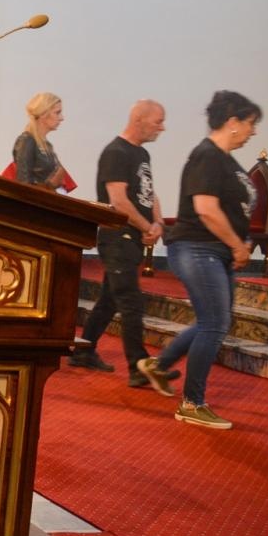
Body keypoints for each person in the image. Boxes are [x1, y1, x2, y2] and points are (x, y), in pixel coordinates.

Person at [138, 90, 263, 430]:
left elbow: (230, 209)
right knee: (215, 323)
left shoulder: (226, 160)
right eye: (250, 124)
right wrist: (238, 245)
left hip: (217, 250)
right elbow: (206, 210)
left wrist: (241, 242)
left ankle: (159, 365)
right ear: (232, 122)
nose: (253, 132)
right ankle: (192, 403)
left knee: (212, 320)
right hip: (198, 249)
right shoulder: (207, 156)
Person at [69, 100, 175, 388]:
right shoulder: (115, 153)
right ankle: (138, 367)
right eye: (158, 121)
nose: (162, 128)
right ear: (139, 120)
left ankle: (83, 350)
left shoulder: (141, 153)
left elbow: (148, 194)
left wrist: (158, 223)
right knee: (130, 301)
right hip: (117, 237)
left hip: (133, 237)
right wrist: (145, 226)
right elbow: (118, 202)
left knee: (110, 299)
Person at [12, 92, 66, 189]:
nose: (62, 118)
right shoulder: (26, 141)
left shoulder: (47, 145)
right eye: (57, 112)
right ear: (43, 114)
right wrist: (50, 185)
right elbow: (24, 186)